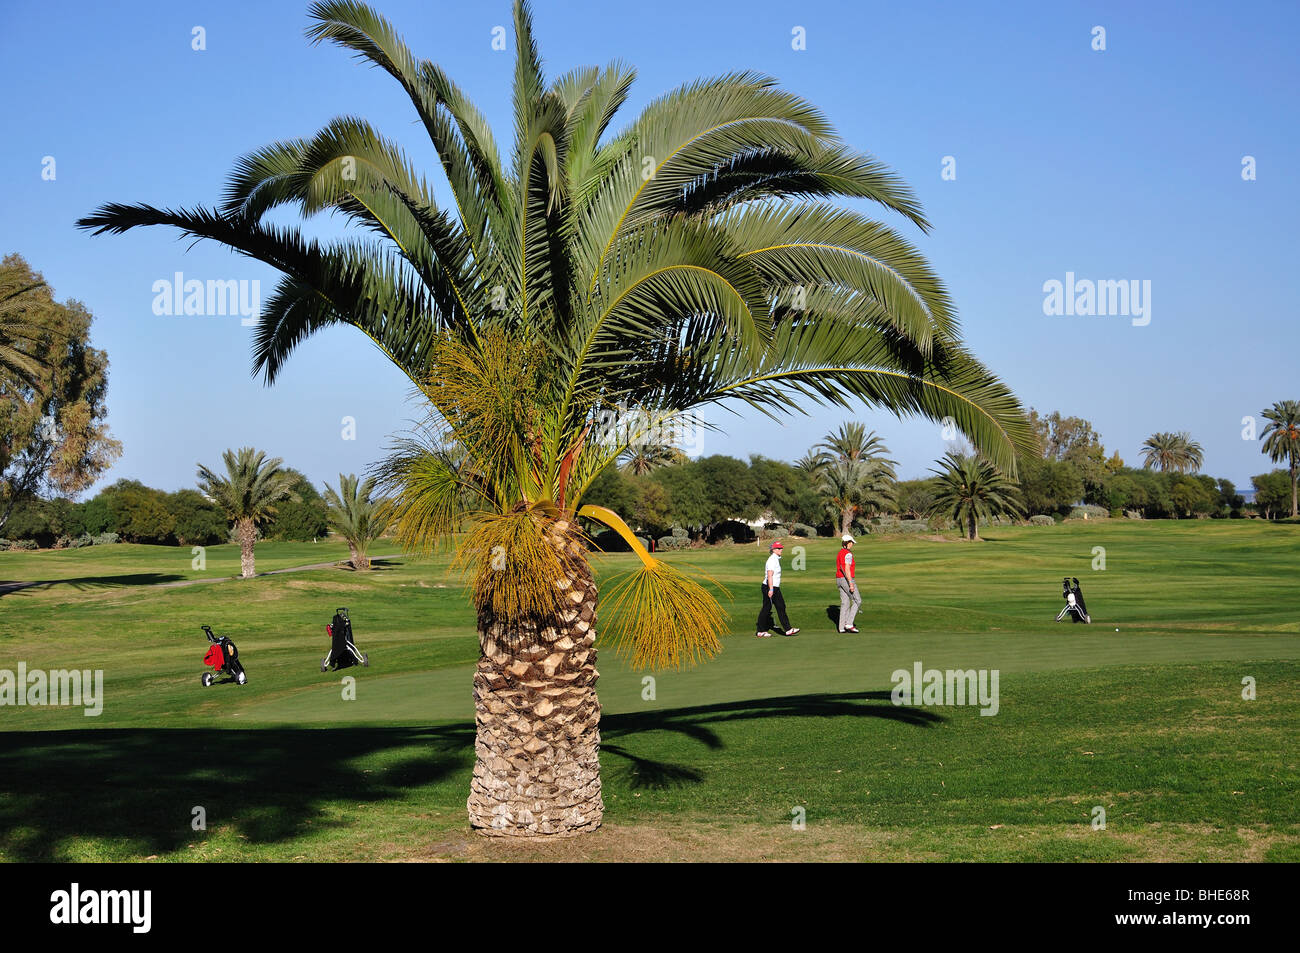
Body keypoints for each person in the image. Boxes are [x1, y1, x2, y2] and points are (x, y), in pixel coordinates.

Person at [756, 541, 800, 637]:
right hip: (770, 587)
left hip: (774, 587)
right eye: (779, 548)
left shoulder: (775, 559)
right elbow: (770, 575)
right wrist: (771, 589)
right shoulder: (772, 560)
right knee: (768, 608)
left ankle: (787, 629)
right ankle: (761, 630)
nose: (781, 550)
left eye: (781, 548)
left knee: (780, 606)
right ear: (773, 550)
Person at [836, 534, 861, 633]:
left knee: (845, 603)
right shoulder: (848, 554)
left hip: (839, 579)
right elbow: (847, 569)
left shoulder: (840, 552)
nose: (852, 545)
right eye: (851, 543)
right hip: (846, 579)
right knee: (857, 600)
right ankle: (849, 623)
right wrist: (851, 584)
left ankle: (841, 627)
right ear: (847, 543)